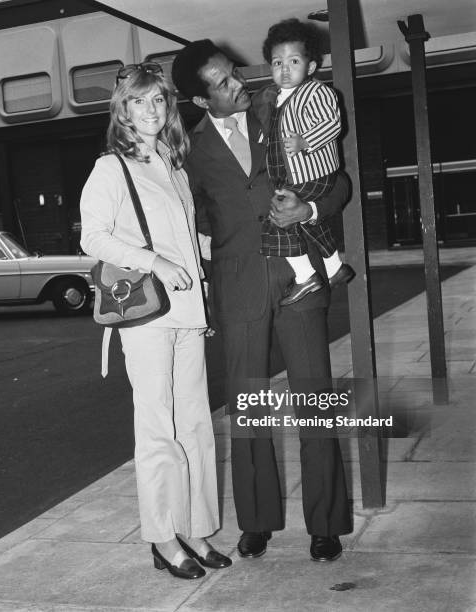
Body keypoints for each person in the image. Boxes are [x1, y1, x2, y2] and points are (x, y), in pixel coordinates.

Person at [172, 41, 352, 562]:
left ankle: (326, 524)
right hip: (240, 285)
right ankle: (256, 521)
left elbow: (337, 179)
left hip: (301, 278)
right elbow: (191, 222)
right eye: (223, 84)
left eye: (235, 74)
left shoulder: (283, 107)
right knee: (250, 408)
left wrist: (310, 210)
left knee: (315, 400)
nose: (239, 85)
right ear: (203, 101)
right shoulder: (191, 149)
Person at [80, 62, 231, 580]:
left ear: (169, 108)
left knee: (195, 424)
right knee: (157, 428)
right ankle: (163, 537)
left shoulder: (173, 164)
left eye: (158, 101)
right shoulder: (111, 168)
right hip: (146, 313)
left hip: (188, 311)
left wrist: (209, 258)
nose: (150, 110)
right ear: (122, 111)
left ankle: (195, 526)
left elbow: (185, 237)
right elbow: (93, 237)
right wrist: (156, 262)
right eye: (139, 102)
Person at [257, 18, 355, 305]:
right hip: (291, 177)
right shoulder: (274, 99)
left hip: (311, 173)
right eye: (277, 63)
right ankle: (335, 268)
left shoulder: (317, 91)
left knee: (278, 219)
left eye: (294, 61)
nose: (285, 70)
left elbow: (332, 124)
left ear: (311, 67)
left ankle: (306, 277)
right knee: (307, 222)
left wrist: (305, 141)